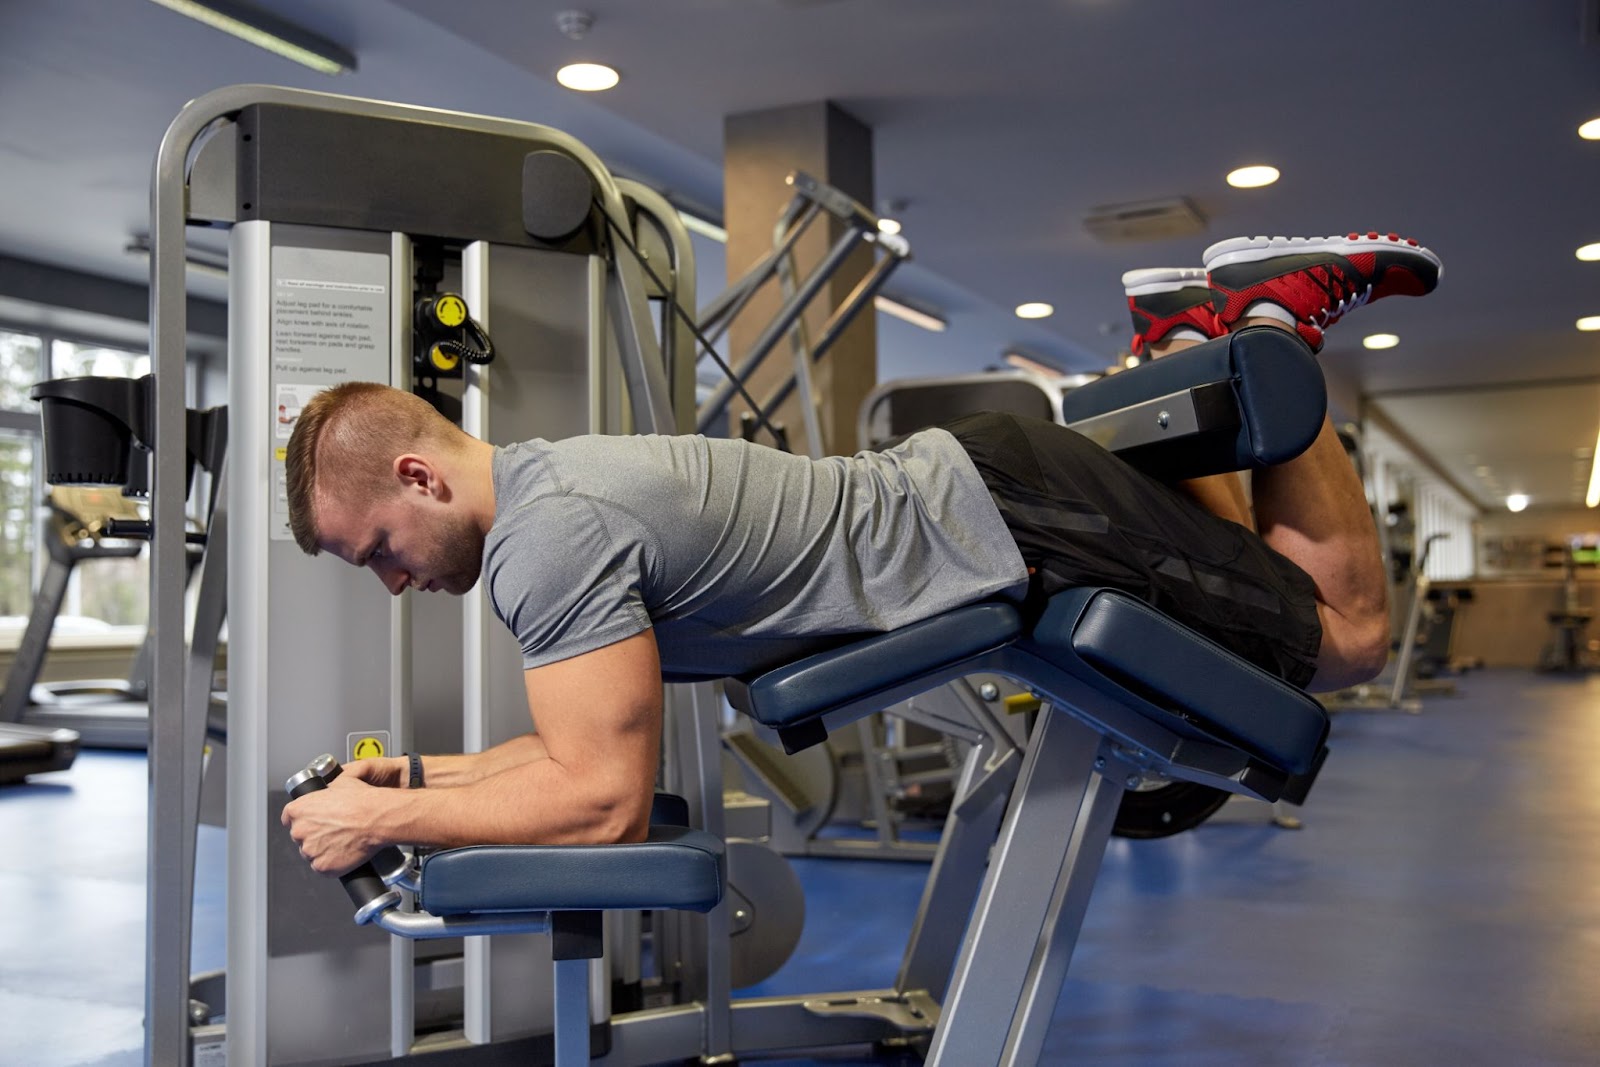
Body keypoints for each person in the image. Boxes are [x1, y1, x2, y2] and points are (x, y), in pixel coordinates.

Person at [281, 231, 1440, 874]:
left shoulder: (547, 538)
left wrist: (374, 821)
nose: (392, 582)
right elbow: (568, 744)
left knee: (1340, 638)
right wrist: (423, 779)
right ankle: (1185, 328)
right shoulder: (546, 499)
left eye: (376, 548)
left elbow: (601, 802)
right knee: (1231, 565)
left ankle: (1273, 316)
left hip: (1015, 517)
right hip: (1002, 500)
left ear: (420, 476)